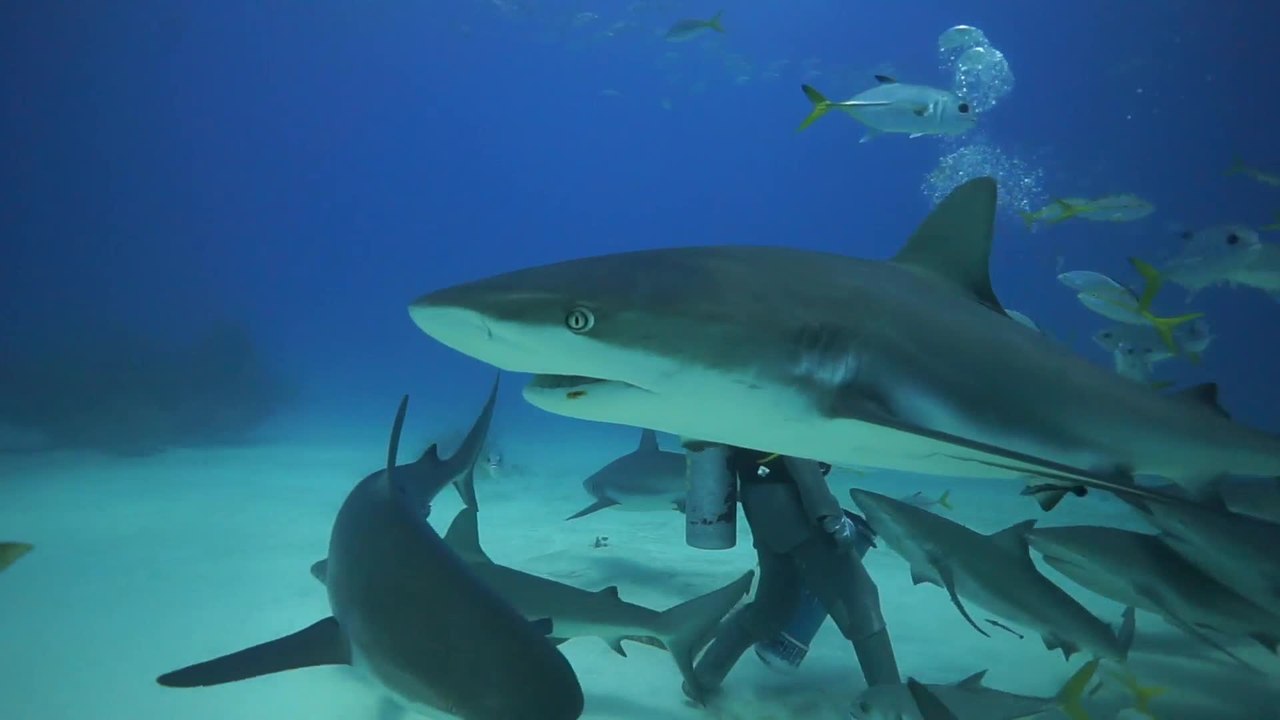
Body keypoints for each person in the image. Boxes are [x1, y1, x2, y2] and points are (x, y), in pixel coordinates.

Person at [682, 445, 901, 708]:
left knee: (771, 609)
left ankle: (702, 680)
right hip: (792, 505)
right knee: (859, 600)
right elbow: (794, 446)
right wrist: (827, 512)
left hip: (761, 502)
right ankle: (896, 707)